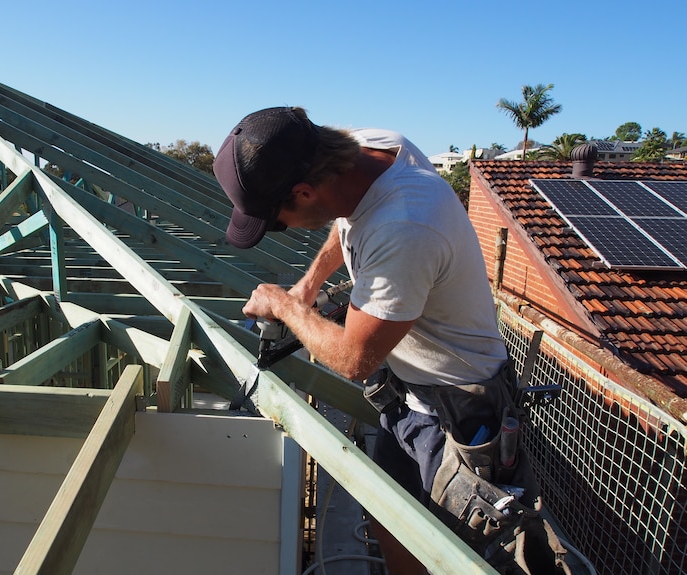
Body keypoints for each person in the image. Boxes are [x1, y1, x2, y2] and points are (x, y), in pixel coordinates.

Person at [213, 107, 569, 575]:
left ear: (303, 191)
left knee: (452, 555)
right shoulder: (364, 152)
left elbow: (354, 358)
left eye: (276, 220)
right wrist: (307, 286)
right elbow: (347, 222)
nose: (283, 228)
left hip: (457, 417)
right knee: (392, 517)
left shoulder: (406, 224)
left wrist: (287, 307)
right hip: (407, 398)